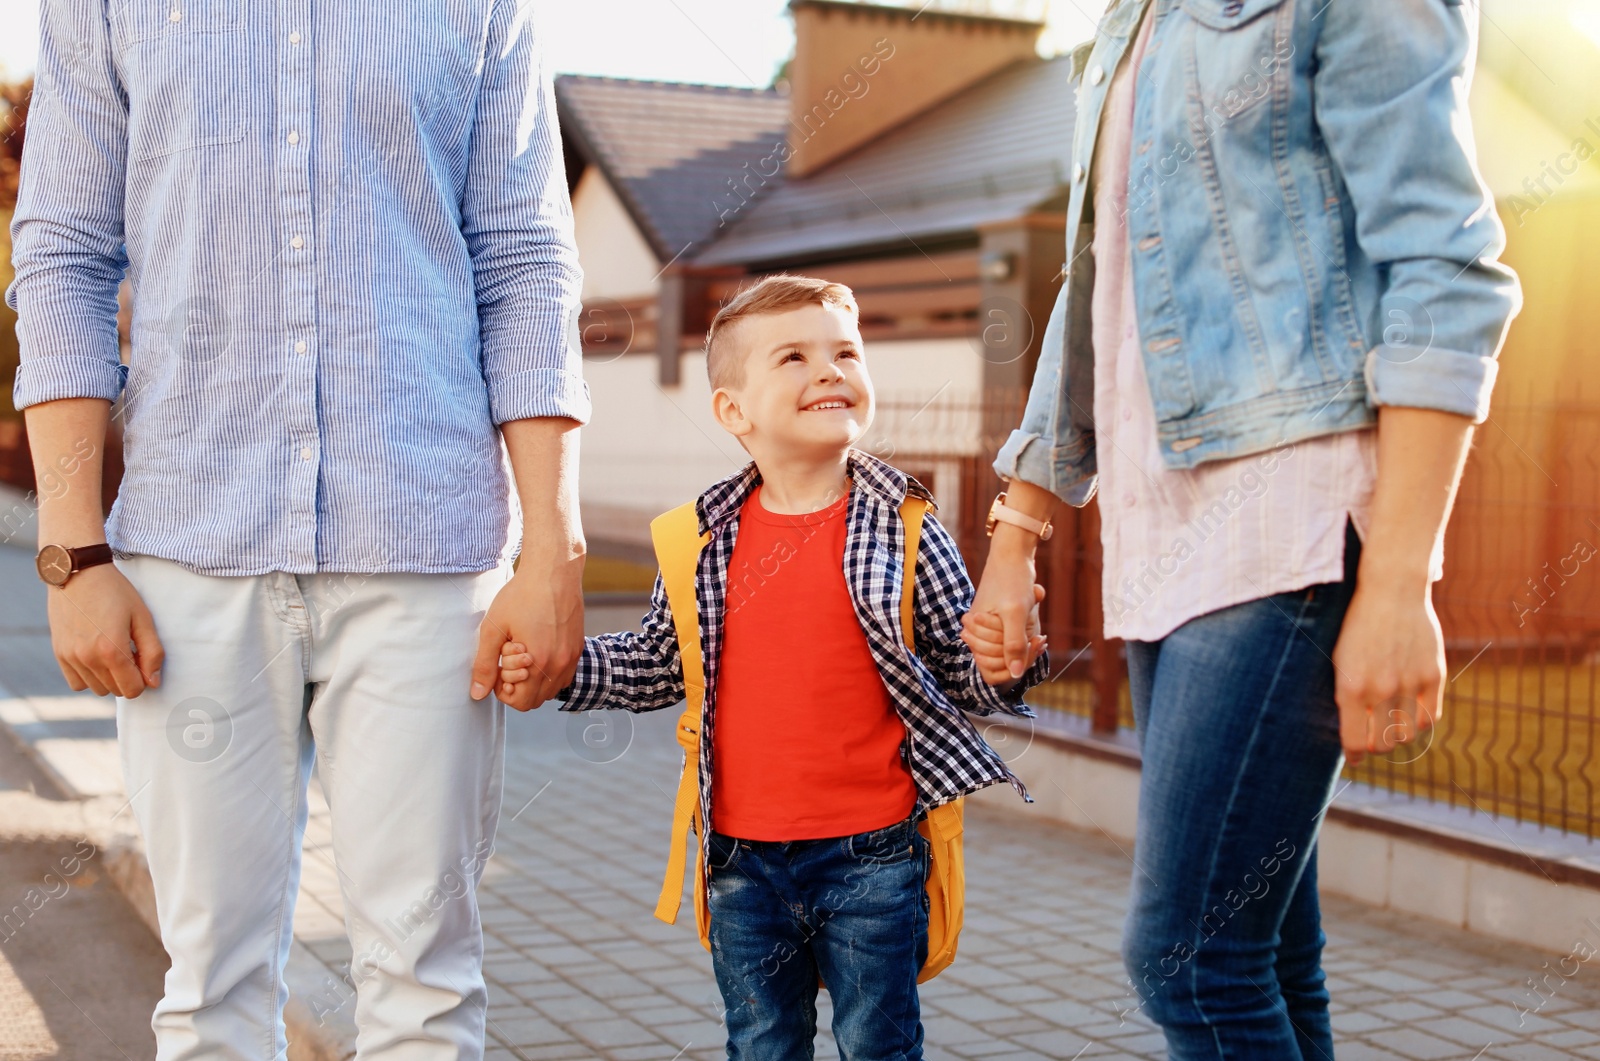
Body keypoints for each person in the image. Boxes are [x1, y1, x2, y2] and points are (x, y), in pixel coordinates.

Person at [8, 2, 588, 1056]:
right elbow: (64, 256)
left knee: (426, 984)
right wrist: (73, 551)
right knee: (212, 987)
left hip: (425, 545)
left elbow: (525, 258)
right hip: (188, 547)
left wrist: (554, 547)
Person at [963, 1, 1521, 1058]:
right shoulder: (1130, 16)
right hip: (1163, 539)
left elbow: (1443, 266)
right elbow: (1094, 282)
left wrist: (1400, 579)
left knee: (1184, 956)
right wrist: (1017, 527)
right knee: (1261, 952)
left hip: (1289, 521)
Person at [514, 275, 1045, 1060]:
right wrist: (559, 667)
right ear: (735, 411)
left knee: (880, 1043)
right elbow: (657, 662)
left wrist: (1003, 662)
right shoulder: (696, 540)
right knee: (762, 1043)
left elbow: (958, 671)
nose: (830, 370)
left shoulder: (906, 527)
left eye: (846, 352)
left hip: (875, 854)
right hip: (741, 858)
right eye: (794, 356)